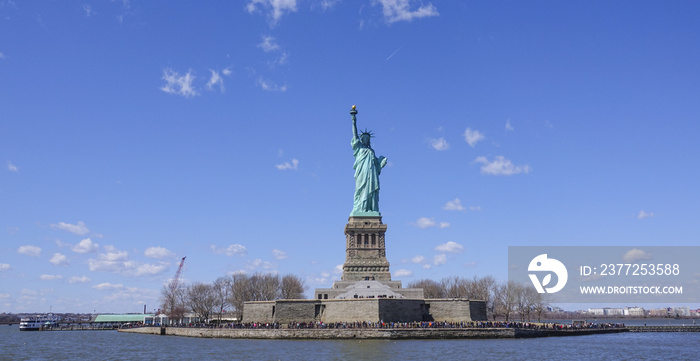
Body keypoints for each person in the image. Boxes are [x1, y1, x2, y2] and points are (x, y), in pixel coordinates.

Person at [350, 106, 387, 216]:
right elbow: (354, 134)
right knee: (360, 190)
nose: (365, 140)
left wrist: (381, 164)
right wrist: (353, 120)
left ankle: (370, 209)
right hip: (362, 174)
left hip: (371, 174)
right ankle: (360, 209)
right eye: (364, 138)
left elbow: (377, 167)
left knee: (371, 190)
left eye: (367, 138)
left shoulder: (372, 151)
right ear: (361, 139)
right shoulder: (359, 148)